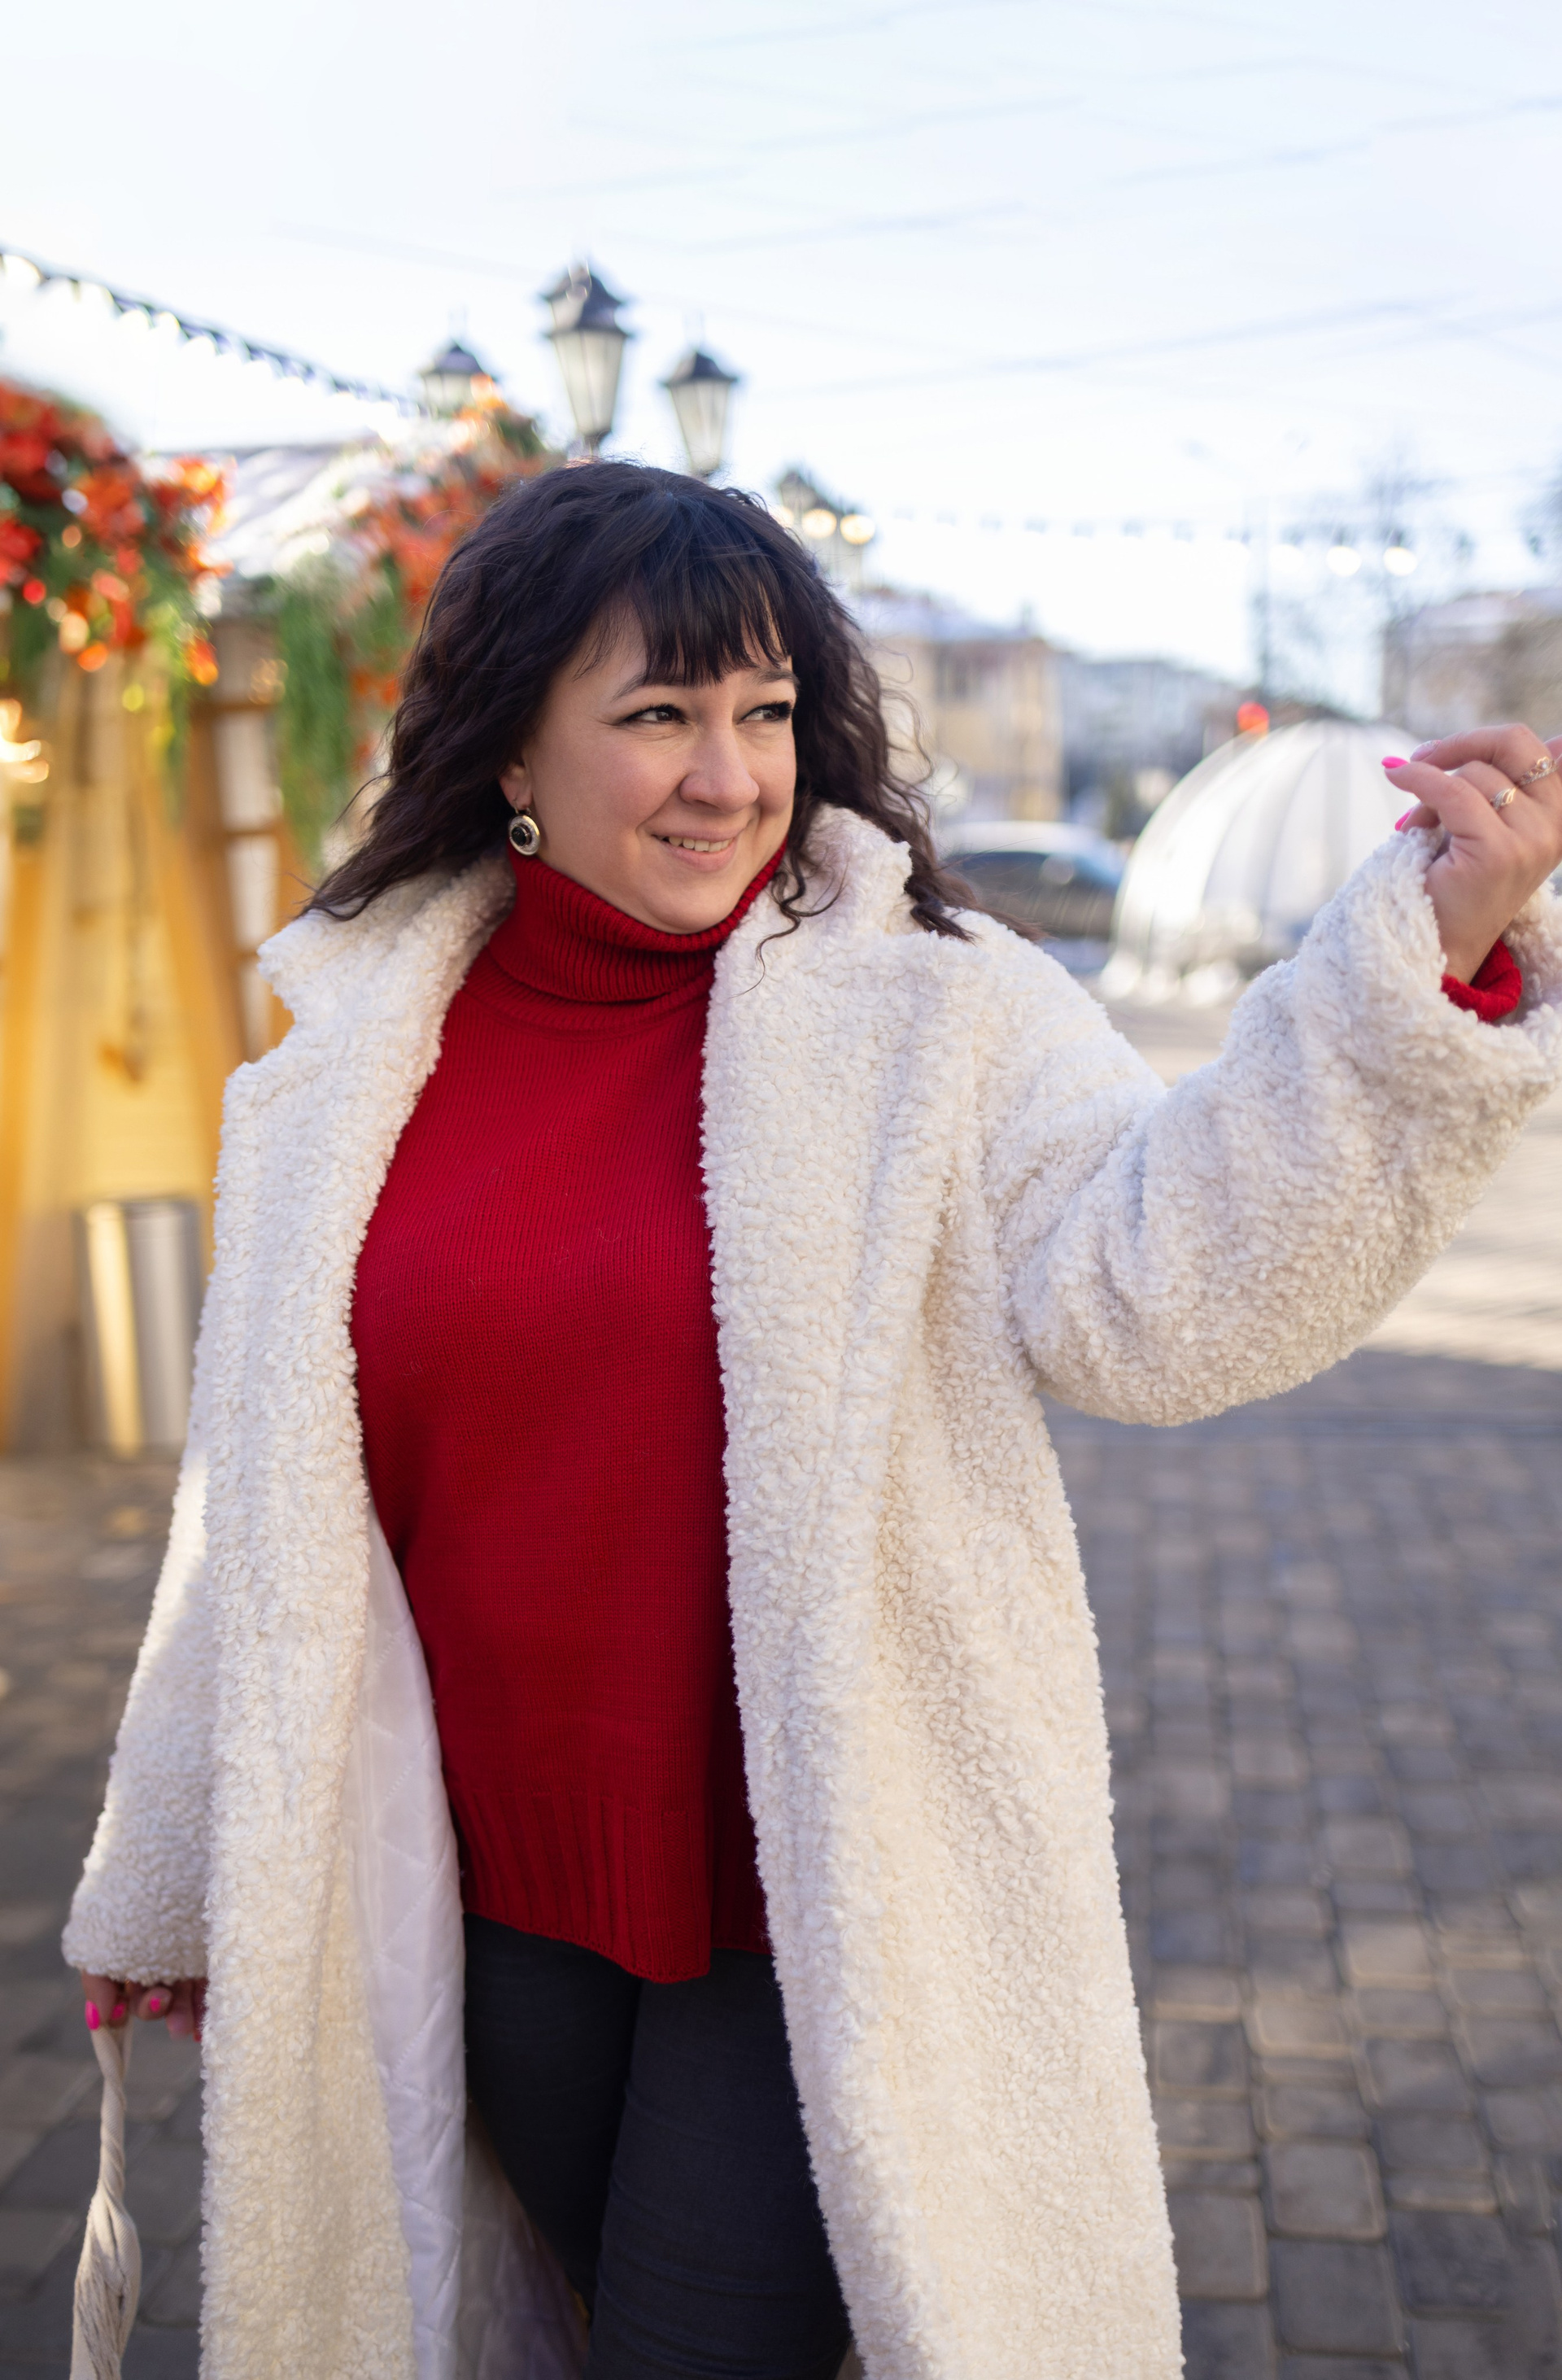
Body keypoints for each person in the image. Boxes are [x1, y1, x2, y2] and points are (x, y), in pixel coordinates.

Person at [64, 462, 1562, 2380]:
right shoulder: (356, 1045)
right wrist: (170, 1857)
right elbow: (263, 1492)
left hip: (817, 1892)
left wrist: (1413, 971)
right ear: (511, 740)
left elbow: (1155, 1282)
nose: (729, 776)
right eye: (658, 715)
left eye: (765, 711)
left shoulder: (929, 1004)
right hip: (477, 1898)